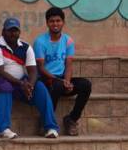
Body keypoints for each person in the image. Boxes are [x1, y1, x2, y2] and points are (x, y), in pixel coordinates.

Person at [0, 17, 60, 139]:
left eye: (15, 30)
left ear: (19, 32)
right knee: (4, 86)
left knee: (40, 87)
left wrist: (30, 85)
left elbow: (33, 71)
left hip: (18, 82)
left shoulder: (26, 47)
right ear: (3, 32)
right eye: (9, 30)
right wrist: (21, 83)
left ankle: (50, 127)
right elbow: (0, 72)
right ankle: (2, 129)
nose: (13, 33)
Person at [34, 7, 91, 136]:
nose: (55, 24)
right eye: (52, 21)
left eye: (58, 21)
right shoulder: (40, 42)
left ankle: (71, 119)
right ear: (47, 23)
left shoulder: (68, 40)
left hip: (61, 79)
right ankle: (45, 121)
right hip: (46, 79)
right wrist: (60, 81)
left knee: (85, 85)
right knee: (57, 86)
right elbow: (41, 68)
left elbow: (69, 64)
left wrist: (67, 81)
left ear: (63, 22)